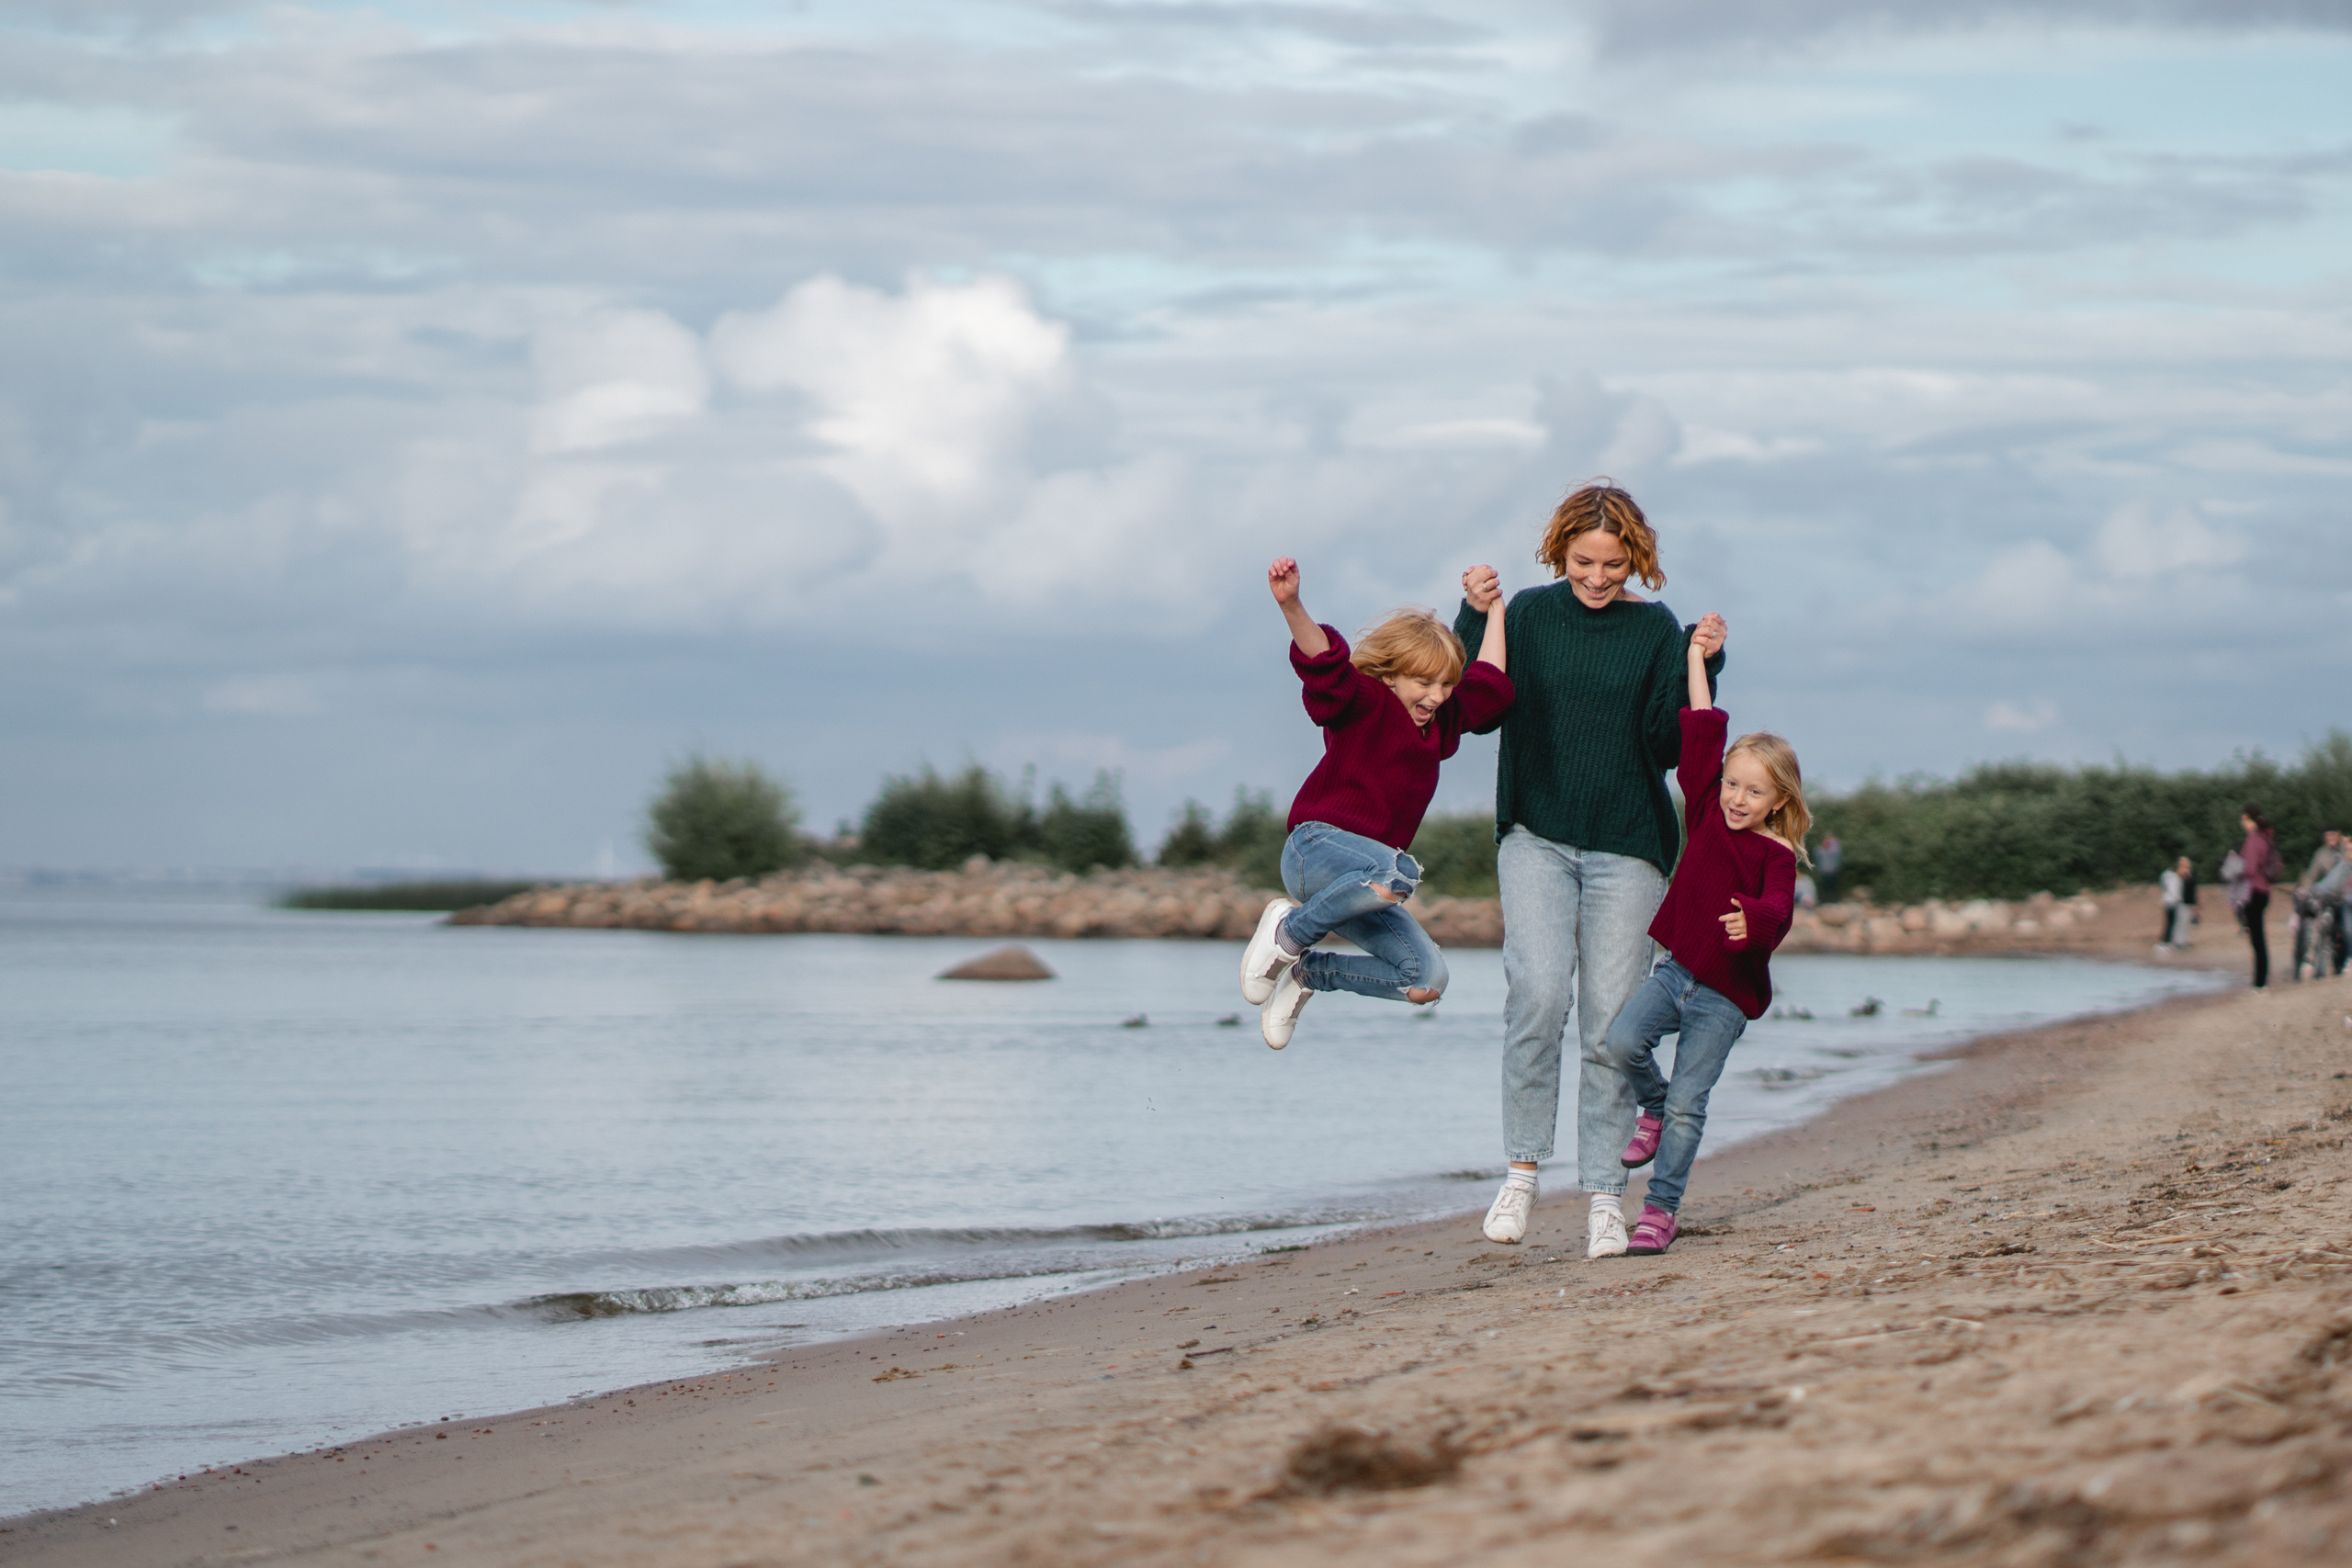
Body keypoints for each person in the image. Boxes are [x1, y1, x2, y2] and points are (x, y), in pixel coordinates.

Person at [1450, 480, 1724, 1256]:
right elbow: (1481, 706)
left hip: (1629, 844)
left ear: (1634, 558)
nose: (1598, 578)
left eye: (1612, 564)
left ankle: (1606, 1193)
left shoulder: (1654, 629)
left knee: (1611, 1024)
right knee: (1537, 992)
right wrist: (1476, 613)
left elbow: (1671, 747)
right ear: (1560, 552)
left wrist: (1706, 660)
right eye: (1583, 563)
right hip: (1535, 833)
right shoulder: (1529, 615)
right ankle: (1522, 1170)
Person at [1587, 628, 1803, 1255]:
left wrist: (1754, 923)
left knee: (1691, 1104)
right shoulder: (1706, 808)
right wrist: (1693, 659)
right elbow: (1701, 728)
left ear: (1778, 799)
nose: (1738, 798)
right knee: (1623, 1039)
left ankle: (1660, 1209)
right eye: (1734, 784)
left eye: (1754, 791)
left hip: (1726, 997)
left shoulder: (1777, 853)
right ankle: (1648, 1106)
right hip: (1677, 971)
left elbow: (1780, 911)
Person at [1238, 557, 1513, 1048]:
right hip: (1316, 852)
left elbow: (1490, 685)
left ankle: (1308, 973)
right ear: (1391, 677)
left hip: (1368, 884)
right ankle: (1289, 930)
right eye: (1424, 683)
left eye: (1445, 685)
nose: (1436, 696)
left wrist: (1493, 610)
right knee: (1399, 871)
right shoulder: (1367, 701)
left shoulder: (1440, 725)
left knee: (1425, 980)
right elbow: (1324, 667)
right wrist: (1292, 605)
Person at [2237, 804, 2281, 989]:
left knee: (2257, 939)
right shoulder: (2265, 838)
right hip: (2263, 890)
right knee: (2258, 936)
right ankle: (2260, 980)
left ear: (2248, 819)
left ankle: (2260, 982)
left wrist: (2235, 867)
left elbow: (2249, 868)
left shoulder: (2254, 839)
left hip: (2254, 890)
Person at [2158, 855, 2195, 951]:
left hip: (2180, 901)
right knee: (2173, 922)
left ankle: (2175, 941)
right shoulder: (2174, 876)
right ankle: (2170, 942)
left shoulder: (2183, 876)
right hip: (2175, 902)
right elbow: (2171, 889)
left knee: (2179, 922)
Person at [1815, 834, 1843, 905]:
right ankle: (1825, 901)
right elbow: (1817, 856)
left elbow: (1837, 849)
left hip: (1833, 871)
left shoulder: (1834, 850)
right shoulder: (1820, 850)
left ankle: (1834, 900)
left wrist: (1833, 840)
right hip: (1824, 871)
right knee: (1825, 886)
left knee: (1833, 886)